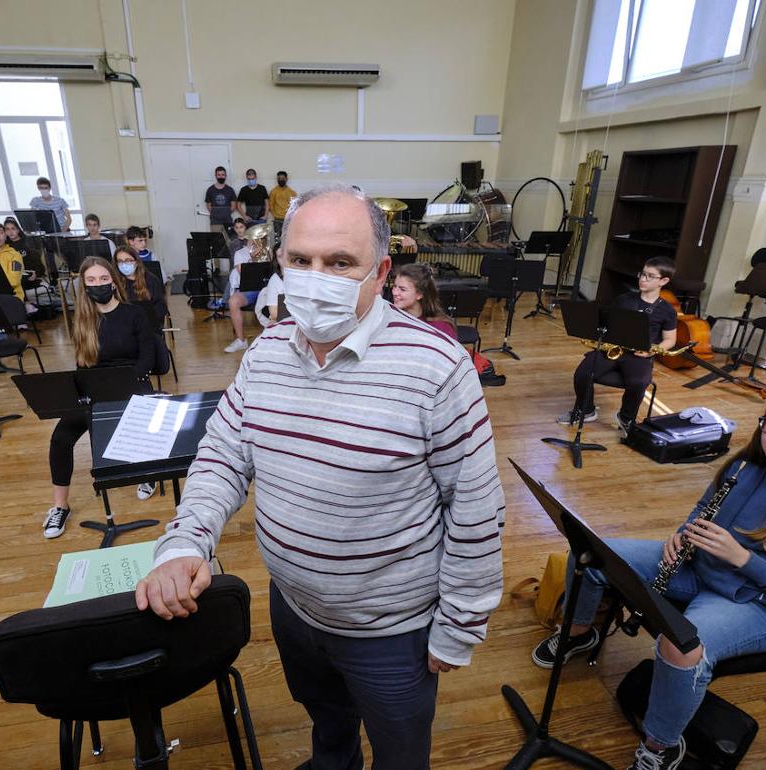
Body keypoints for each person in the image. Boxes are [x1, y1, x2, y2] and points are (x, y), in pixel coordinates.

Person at [135, 184, 505, 770]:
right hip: (294, 609)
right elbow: (225, 453)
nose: (315, 278)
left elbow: (475, 506)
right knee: (328, 728)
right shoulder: (266, 352)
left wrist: (461, 622)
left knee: (400, 755)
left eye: (340, 263)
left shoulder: (438, 366)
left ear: (380, 273)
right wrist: (185, 542)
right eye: (300, 260)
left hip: (393, 631)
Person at [532, 385, 766, 770]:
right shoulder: (749, 465)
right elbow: (704, 508)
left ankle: (660, 749)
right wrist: (683, 534)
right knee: (591, 551)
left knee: (680, 646)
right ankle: (580, 634)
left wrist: (744, 560)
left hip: (759, 605)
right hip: (700, 567)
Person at [42, 257, 155, 538]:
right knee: (60, 438)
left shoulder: (134, 314)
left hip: (132, 381)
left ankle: (148, 473)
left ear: (113, 282)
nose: (98, 284)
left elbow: (148, 358)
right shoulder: (83, 319)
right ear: (84, 286)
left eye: (103, 279)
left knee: (140, 424)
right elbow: (83, 365)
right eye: (91, 280)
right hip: (95, 387)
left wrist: (124, 385)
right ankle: (60, 506)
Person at [557, 256, 678, 435]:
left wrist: (651, 351)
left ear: (664, 281)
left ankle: (626, 418)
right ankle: (586, 410)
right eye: (642, 274)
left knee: (639, 382)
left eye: (650, 276)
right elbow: (606, 322)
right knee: (583, 373)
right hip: (612, 348)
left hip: (639, 355)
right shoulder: (623, 299)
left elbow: (670, 339)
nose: (643, 279)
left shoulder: (667, 310)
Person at [222, 227, 267, 353]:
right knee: (233, 302)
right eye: (255, 237)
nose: (258, 240)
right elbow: (244, 273)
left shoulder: (268, 251)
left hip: (268, 287)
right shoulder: (240, 253)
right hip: (251, 289)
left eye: (260, 237)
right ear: (248, 237)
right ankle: (241, 341)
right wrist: (252, 258)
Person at [391, 262, 456, 341]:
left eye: (402, 289)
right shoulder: (388, 319)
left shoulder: (441, 328)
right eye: (394, 286)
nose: (394, 293)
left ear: (420, 294)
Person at [115, 245, 167, 324]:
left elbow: (161, 307)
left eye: (128, 260)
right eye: (120, 261)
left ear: (136, 262)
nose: (124, 264)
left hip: (148, 323)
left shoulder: (151, 280)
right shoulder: (115, 282)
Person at [205, 166, 237, 236]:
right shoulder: (210, 190)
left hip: (227, 221)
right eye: (219, 175)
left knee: (228, 240)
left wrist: (225, 213)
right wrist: (217, 213)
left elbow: (233, 206)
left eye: (223, 175)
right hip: (215, 222)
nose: (221, 177)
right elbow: (209, 206)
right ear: (216, 176)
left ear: (225, 176)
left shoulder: (230, 190)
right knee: (216, 240)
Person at [268, 170, 296, 245]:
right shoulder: (273, 191)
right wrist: (275, 215)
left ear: (286, 179)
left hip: (288, 219)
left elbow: (294, 206)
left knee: (288, 238)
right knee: (277, 239)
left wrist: (289, 216)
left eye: (282, 178)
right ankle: (277, 251)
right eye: (279, 178)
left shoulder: (292, 192)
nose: (281, 180)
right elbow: (271, 205)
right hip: (277, 220)